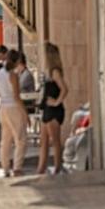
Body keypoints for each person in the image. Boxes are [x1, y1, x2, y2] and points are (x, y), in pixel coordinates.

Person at [37, 42, 70, 175]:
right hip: (46, 109)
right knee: (44, 141)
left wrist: (56, 102)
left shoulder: (55, 72)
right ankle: (41, 168)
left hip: (54, 110)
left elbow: (65, 89)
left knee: (55, 140)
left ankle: (57, 167)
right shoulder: (48, 72)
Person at [0, 49, 28, 176]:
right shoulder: (13, 75)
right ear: (17, 61)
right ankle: (17, 167)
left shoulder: (0, 73)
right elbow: (16, 96)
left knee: (6, 139)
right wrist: (25, 113)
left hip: (2, 106)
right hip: (13, 107)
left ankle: (5, 167)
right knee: (20, 138)